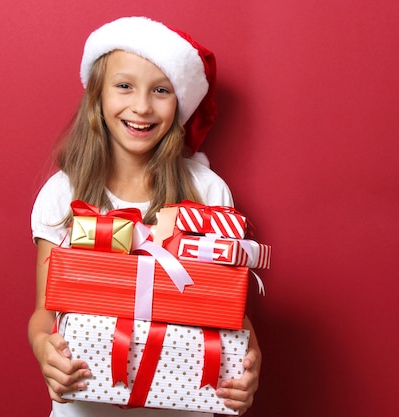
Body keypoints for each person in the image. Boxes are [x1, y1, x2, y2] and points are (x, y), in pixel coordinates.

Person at [29, 16, 261, 417]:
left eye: (161, 90)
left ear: (181, 103)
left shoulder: (208, 191)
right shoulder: (63, 195)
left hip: (186, 404)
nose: (141, 106)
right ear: (97, 95)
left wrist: (250, 364)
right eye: (124, 86)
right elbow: (44, 313)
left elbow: (227, 311)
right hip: (84, 405)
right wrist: (43, 349)